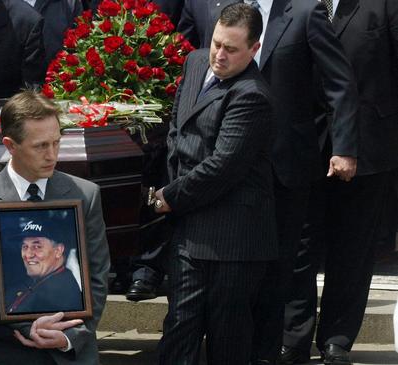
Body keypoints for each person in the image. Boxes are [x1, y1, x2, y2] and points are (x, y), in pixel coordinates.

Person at [177, 1, 359, 362]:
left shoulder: (306, 13)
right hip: (225, 163)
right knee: (231, 269)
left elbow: (340, 81)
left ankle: (269, 352)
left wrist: (345, 147)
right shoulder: (221, 11)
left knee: (280, 271)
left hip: (284, 166)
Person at [154, 4, 276, 364]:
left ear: (254, 49)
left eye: (232, 49)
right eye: (216, 43)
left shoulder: (252, 95)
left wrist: (170, 197)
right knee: (178, 330)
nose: (219, 56)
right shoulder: (195, 63)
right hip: (190, 229)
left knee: (228, 340)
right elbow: (177, 127)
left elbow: (223, 166)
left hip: (233, 240)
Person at [281, 1, 398, 364]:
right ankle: (292, 337)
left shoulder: (383, 5)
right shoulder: (293, 5)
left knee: (353, 248)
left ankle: (336, 339)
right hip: (304, 143)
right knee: (299, 244)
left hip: (367, 144)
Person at [0, 90, 110, 364]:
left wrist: (70, 336)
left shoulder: (85, 194)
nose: (52, 155)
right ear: (10, 145)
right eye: (40, 146)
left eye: (56, 143)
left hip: (70, 350)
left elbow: (97, 275)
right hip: (4, 350)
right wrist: (27, 329)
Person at [5, 220, 82, 315]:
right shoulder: (42, 280)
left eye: (37, 247)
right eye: (25, 247)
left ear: (58, 250)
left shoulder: (58, 293)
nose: (28, 255)